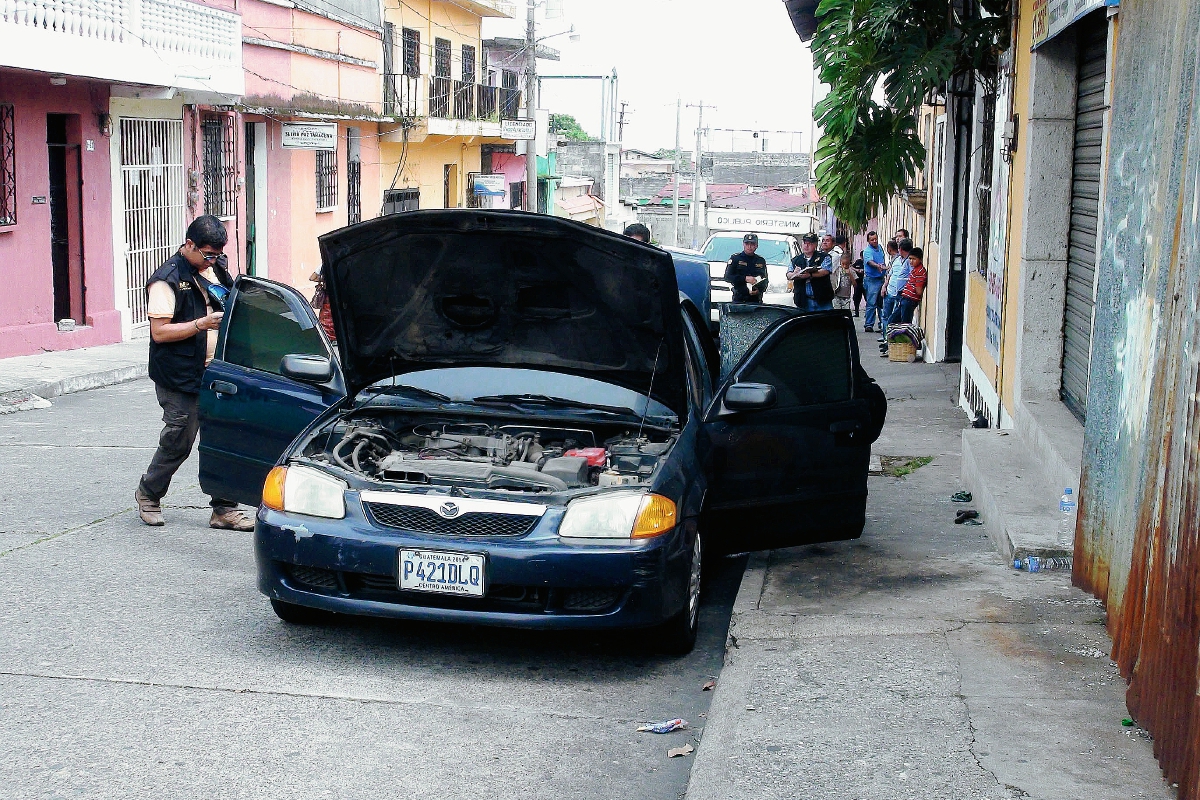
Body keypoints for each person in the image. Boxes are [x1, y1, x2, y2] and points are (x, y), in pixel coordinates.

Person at [134, 215, 255, 532]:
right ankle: (148, 495)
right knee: (179, 439)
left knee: (223, 439)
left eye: (216, 254)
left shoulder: (215, 269)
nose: (213, 260)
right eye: (207, 254)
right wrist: (200, 325)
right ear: (189, 245)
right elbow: (159, 333)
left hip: (218, 373)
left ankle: (224, 509)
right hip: (180, 375)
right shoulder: (166, 280)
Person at [787, 232, 834, 312]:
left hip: (823, 301)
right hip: (803, 301)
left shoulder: (824, 257)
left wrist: (810, 274)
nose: (806, 246)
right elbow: (788, 274)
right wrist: (794, 274)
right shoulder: (796, 260)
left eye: (810, 243)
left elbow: (825, 271)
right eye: (804, 243)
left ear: (815, 244)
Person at [880, 237, 914, 345]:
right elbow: (890, 273)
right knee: (889, 318)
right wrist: (884, 286)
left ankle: (897, 344)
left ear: (900, 249)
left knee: (899, 321)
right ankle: (888, 342)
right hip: (893, 291)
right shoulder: (898, 260)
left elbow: (912, 277)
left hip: (903, 295)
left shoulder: (909, 261)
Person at [723, 233, 768, 303]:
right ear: (743, 244)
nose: (749, 246)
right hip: (739, 299)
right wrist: (745, 278)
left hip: (755, 300)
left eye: (752, 244)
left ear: (756, 246)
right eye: (747, 244)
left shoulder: (760, 260)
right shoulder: (736, 259)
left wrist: (759, 291)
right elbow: (727, 277)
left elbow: (765, 280)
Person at [861, 231, 887, 332]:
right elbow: (869, 261)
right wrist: (878, 266)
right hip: (871, 279)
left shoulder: (880, 248)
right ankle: (869, 325)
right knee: (871, 303)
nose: (874, 241)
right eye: (872, 240)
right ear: (868, 241)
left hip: (881, 278)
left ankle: (882, 324)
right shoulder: (867, 251)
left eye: (875, 239)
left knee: (881, 303)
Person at [898, 246, 927, 324]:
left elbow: (919, 291)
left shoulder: (920, 272)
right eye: (910, 259)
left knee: (905, 325)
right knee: (893, 322)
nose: (911, 261)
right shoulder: (915, 269)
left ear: (920, 259)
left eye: (914, 259)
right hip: (905, 298)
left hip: (909, 300)